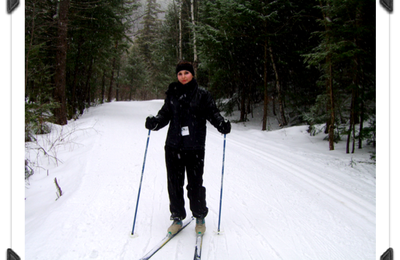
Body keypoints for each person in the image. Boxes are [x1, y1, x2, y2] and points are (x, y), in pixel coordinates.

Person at [145, 61, 231, 235]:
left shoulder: (202, 95)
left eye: (186, 73)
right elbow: (164, 115)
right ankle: (177, 217)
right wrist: (154, 123)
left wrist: (221, 123)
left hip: (195, 147)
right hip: (173, 146)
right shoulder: (172, 94)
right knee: (174, 183)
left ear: (192, 74)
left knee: (195, 184)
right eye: (180, 74)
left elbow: (212, 113)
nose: (183, 76)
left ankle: (199, 216)